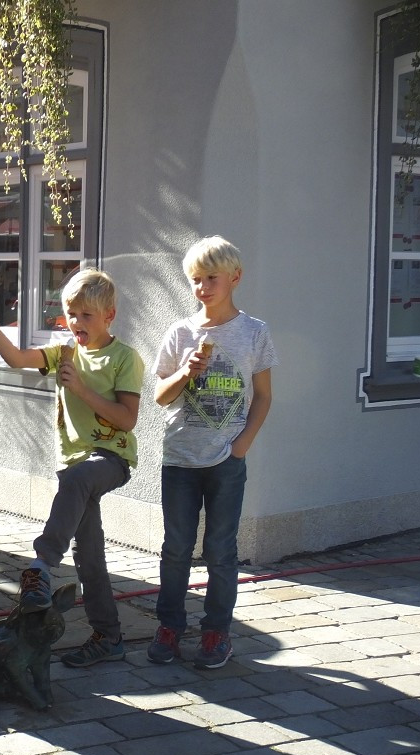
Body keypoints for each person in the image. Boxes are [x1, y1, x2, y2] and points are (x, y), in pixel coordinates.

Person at [0, 268, 144, 667]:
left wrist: (80, 388)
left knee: (81, 479)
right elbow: (15, 358)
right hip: (74, 469)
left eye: (86, 316)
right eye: (71, 314)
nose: (77, 323)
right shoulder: (63, 353)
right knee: (90, 557)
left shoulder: (124, 358)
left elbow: (128, 419)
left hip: (110, 461)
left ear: (109, 316)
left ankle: (40, 565)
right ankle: (109, 636)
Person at [148, 236, 277, 669]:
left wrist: (242, 446)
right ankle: (169, 627)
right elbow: (161, 397)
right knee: (176, 547)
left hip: (226, 460)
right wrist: (186, 370)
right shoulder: (180, 332)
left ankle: (216, 632)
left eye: (211, 279)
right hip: (180, 457)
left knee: (221, 550)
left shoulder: (254, 331)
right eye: (196, 280)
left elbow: (262, 396)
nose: (202, 288)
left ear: (234, 278)